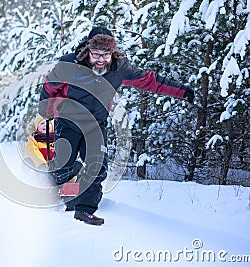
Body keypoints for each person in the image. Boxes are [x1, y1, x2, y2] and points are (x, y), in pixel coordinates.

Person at [38, 26, 195, 226]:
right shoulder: (70, 64)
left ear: (112, 52)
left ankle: (84, 210)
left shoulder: (120, 68)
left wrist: (182, 91)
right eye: (96, 55)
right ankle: (59, 186)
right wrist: (46, 112)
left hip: (96, 125)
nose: (101, 60)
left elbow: (150, 81)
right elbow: (50, 85)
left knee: (97, 167)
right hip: (68, 122)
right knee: (63, 166)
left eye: (106, 54)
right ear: (88, 51)